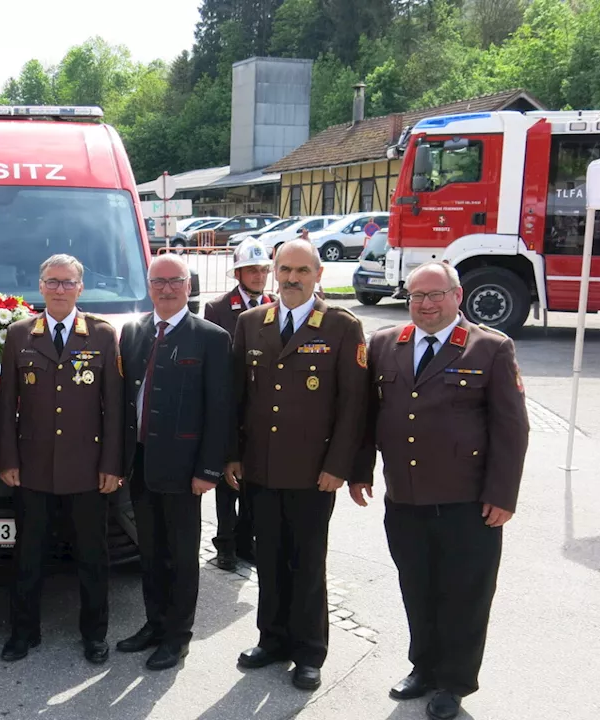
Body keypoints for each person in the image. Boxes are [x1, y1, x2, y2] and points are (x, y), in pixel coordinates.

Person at [351, 262, 529, 720]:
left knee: (464, 595)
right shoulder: (387, 344)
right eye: (416, 296)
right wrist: (360, 470)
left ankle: (454, 682)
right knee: (417, 587)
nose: (425, 305)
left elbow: (511, 429)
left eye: (435, 295)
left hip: (467, 503)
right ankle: (423, 667)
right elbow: (368, 415)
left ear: (457, 295)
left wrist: (502, 495)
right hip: (406, 498)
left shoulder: (489, 347)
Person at [227, 238, 367, 691]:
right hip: (261, 468)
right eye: (285, 269)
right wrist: (232, 454)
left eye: (302, 271)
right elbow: (237, 399)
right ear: (273, 271)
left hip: (313, 473)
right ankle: (272, 639)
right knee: (267, 558)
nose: (291, 278)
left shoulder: (342, 327)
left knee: (307, 563)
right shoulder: (251, 323)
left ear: (318, 276)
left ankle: (309, 651)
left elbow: (354, 405)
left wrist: (339, 466)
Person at [0, 254, 124, 666]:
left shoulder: (102, 335)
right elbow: (5, 407)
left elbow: (115, 410)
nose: (59, 289)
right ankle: (23, 631)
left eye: (67, 282)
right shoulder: (19, 335)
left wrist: (111, 465)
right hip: (32, 467)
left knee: (92, 557)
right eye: (52, 281)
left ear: (80, 288)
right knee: (28, 555)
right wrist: (8, 458)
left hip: (86, 469)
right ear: (40, 285)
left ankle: (94, 634)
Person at [116, 254, 233, 671]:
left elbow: (220, 410)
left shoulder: (212, 338)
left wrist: (208, 470)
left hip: (185, 468)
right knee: (150, 550)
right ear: (148, 286)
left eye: (175, 281)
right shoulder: (133, 331)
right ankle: (154, 623)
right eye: (157, 281)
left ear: (189, 285)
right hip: (142, 461)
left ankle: (177, 636)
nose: (166, 289)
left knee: (182, 556)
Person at [202, 239, 274, 571]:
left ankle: (247, 540)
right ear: (239, 273)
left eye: (263, 270)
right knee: (226, 478)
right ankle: (226, 543)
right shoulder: (218, 308)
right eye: (252, 270)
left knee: (253, 477)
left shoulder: (274, 304)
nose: (259, 276)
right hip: (230, 402)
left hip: (260, 406)